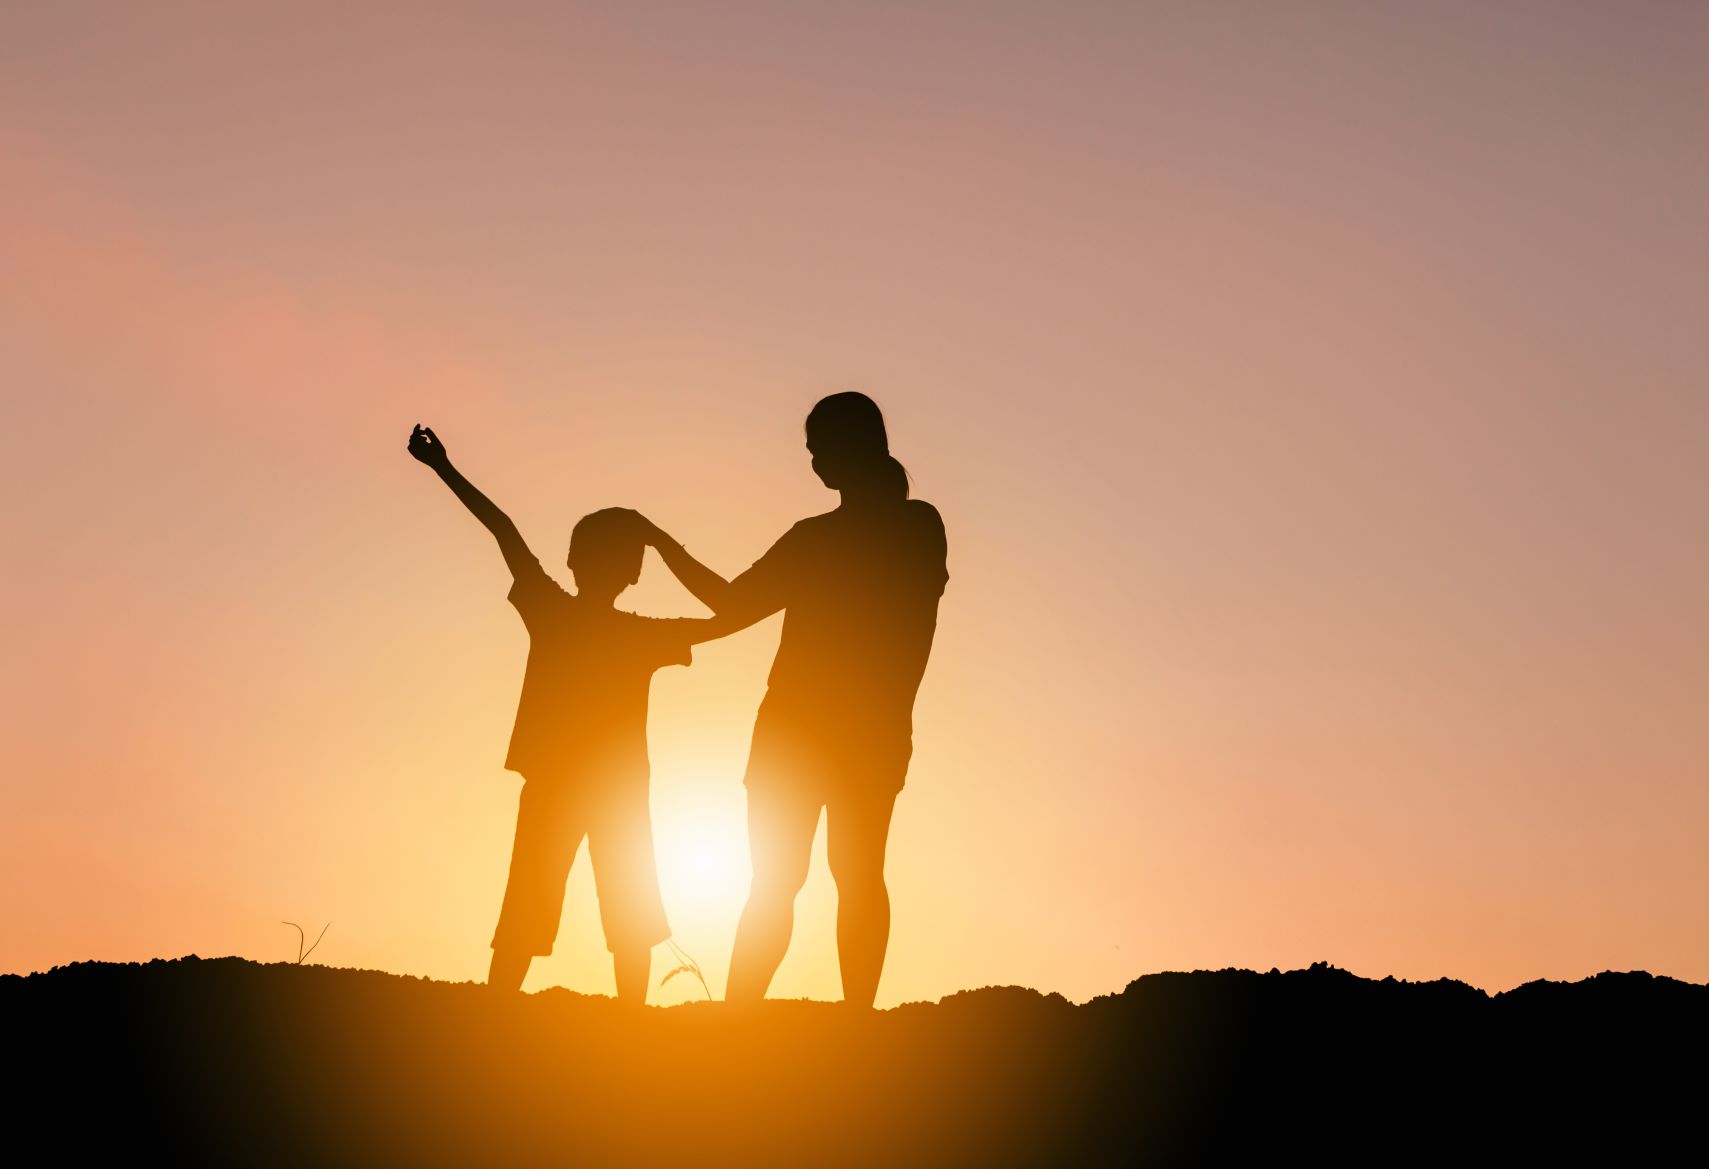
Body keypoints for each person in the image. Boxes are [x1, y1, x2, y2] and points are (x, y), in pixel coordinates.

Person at [643, 392, 948, 1008]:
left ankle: (739, 1019)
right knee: (854, 876)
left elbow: (730, 606)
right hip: (866, 732)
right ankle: (845, 1019)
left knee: (784, 883)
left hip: (805, 732)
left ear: (849, 448)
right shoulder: (920, 528)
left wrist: (658, 544)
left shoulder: (833, 538)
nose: (812, 462)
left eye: (817, 449)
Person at [406, 423, 727, 1003]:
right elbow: (728, 618)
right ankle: (624, 1022)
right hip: (604, 788)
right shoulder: (636, 635)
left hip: (569, 784)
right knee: (617, 911)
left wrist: (443, 468)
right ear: (633, 572)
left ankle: (498, 1009)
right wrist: (658, 539)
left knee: (543, 903)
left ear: (574, 560)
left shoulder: (557, 611)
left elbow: (505, 533)